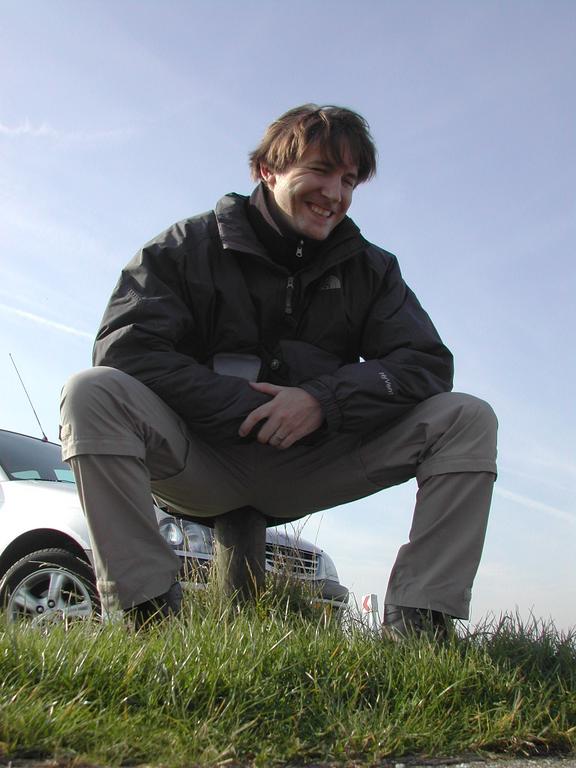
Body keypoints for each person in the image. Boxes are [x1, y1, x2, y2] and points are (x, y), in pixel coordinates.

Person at [60, 104, 497, 636]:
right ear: (268, 169)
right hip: (200, 462)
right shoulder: (184, 248)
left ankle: (420, 625)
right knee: (91, 392)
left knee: (467, 418)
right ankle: (146, 615)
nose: (335, 194)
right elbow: (126, 350)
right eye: (319, 171)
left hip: (308, 467)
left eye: (349, 180)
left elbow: (426, 364)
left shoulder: (372, 269)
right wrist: (249, 406)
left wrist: (321, 402)